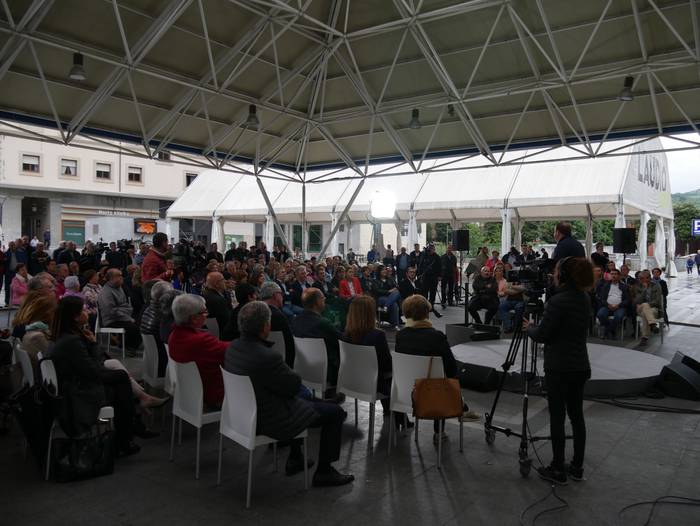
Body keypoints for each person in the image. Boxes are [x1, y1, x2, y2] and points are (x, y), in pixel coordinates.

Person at [224, 301, 354, 486]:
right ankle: (324, 471)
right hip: (268, 419)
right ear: (265, 326)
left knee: (296, 397)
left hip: (243, 415)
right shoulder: (267, 357)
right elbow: (292, 385)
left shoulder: (233, 348)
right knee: (335, 413)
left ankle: (296, 457)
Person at [525, 257, 593, 485]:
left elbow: (542, 334)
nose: (553, 274)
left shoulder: (557, 301)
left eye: (556, 271)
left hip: (559, 368)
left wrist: (529, 327)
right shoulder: (584, 297)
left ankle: (557, 468)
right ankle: (577, 467)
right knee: (577, 416)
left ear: (563, 275)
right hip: (580, 365)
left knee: (557, 416)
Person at [49, 296, 140, 456]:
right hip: (77, 394)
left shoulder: (64, 336)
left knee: (119, 380)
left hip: (73, 385)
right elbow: (94, 371)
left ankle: (129, 430)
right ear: (75, 316)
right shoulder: (72, 341)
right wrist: (94, 344)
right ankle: (128, 433)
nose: (87, 312)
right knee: (120, 379)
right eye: (83, 310)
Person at [396, 295, 479, 443]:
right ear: (426, 313)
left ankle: (461, 405)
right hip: (432, 396)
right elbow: (451, 368)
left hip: (406, 393)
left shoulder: (400, 336)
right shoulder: (436, 337)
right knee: (442, 378)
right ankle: (440, 431)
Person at [168, 294, 229, 408]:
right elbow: (231, 351)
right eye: (204, 312)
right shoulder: (200, 341)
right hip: (213, 396)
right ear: (194, 318)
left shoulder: (174, 335)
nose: (207, 315)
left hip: (190, 393)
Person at [343, 295, 392, 414]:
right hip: (374, 384)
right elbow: (387, 364)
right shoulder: (377, 336)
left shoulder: (345, 335)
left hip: (351, 380)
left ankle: (391, 412)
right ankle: (396, 415)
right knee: (391, 376)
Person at [291, 288, 341, 391]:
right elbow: (342, 341)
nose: (325, 299)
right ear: (317, 302)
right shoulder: (323, 324)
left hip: (303, 370)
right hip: (327, 372)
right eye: (322, 297)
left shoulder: (295, 321)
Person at [97, 268, 142, 350]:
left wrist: (125, 312)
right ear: (111, 278)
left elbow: (126, 306)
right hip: (111, 320)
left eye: (121, 275)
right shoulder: (106, 292)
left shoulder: (119, 288)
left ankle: (128, 344)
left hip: (121, 316)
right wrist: (126, 316)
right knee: (133, 327)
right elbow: (110, 311)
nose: (121, 278)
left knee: (140, 322)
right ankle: (129, 347)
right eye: (119, 276)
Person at [260, 281, 295, 367]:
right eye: (281, 294)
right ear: (275, 295)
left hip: (259, 362)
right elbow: (289, 345)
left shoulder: (254, 312)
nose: (282, 297)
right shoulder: (278, 316)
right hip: (281, 364)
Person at [633, 270, 663, 348]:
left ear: (649, 278)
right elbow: (637, 301)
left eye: (644, 278)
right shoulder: (638, 287)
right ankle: (652, 324)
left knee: (645, 312)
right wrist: (644, 290)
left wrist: (646, 304)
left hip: (653, 309)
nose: (642, 280)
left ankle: (644, 338)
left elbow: (657, 301)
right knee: (644, 307)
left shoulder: (656, 286)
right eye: (640, 278)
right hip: (639, 309)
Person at [596, 269, 628, 339]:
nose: (613, 276)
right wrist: (608, 305)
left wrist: (618, 305)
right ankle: (611, 329)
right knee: (600, 314)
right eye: (612, 274)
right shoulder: (606, 286)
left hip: (619, 307)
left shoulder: (624, 286)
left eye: (615, 274)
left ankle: (607, 331)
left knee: (618, 316)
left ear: (619, 276)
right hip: (607, 306)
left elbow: (626, 300)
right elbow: (602, 299)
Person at [201, 271, 233, 339]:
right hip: (222, 334)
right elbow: (227, 320)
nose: (225, 281)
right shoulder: (217, 300)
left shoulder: (207, 293)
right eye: (222, 280)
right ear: (216, 284)